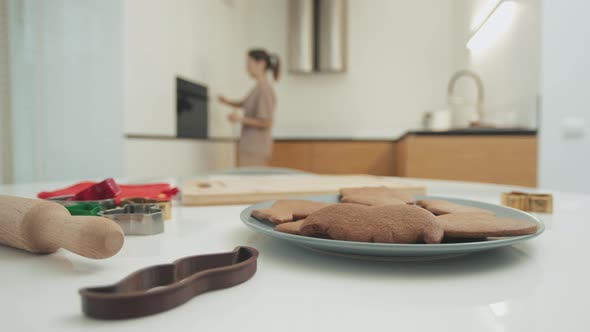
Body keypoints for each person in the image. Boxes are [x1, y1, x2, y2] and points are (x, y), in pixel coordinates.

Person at [218, 49, 279, 167]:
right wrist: (226, 101)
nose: (247, 68)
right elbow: (244, 103)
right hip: (250, 147)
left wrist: (239, 119)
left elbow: (267, 122)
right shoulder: (258, 88)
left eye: (249, 63)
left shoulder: (264, 89)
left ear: (261, 64)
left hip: (256, 149)